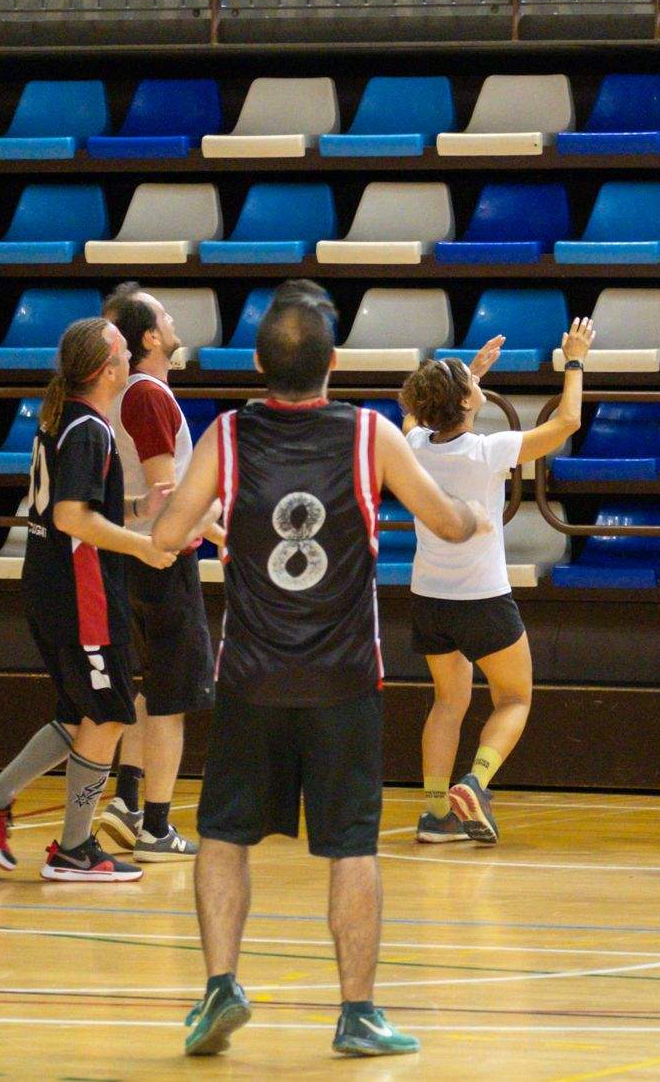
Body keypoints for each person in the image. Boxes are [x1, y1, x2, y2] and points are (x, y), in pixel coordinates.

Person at [151, 282, 490, 1058]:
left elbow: (167, 537)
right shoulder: (371, 434)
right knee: (352, 846)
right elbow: (446, 521)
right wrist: (474, 514)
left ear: (258, 364)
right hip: (343, 682)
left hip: (250, 678)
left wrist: (206, 515)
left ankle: (220, 987)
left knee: (223, 835)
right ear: (334, 362)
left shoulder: (227, 435)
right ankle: (357, 1012)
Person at [0, 317, 179, 883]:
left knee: (81, 714)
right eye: (121, 350)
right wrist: (144, 545)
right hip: (81, 593)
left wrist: (137, 510)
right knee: (109, 714)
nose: (128, 357)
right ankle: (75, 850)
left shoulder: (67, 419)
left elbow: (77, 505)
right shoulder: (89, 429)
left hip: (53, 585)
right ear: (107, 369)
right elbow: (72, 517)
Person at [398, 317, 596, 845]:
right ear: (466, 402)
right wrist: (574, 360)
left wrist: (470, 375)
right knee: (514, 699)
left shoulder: (413, 444)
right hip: (482, 600)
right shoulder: (488, 451)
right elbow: (568, 421)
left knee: (448, 702)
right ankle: (475, 782)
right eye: (468, 383)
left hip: (429, 598)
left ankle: (435, 815)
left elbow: (417, 411)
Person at [91, 283, 217, 863]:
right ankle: (157, 828)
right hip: (160, 560)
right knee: (171, 701)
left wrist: (221, 533)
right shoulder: (147, 394)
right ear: (150, 337)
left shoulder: (132, 393)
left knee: (153, 689)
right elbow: (167, 495)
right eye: (164, 315)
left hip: (136, 557)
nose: (173, 321)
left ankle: (127, 802)